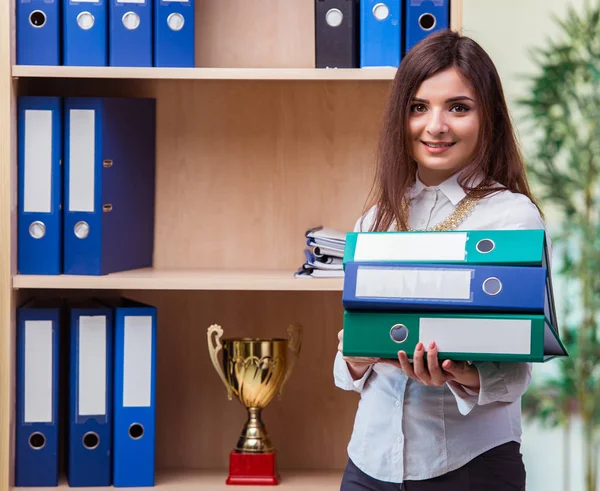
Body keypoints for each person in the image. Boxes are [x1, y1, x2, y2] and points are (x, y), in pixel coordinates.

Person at [335, 29, 548, 491]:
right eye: (418, 107)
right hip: (368, 465)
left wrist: (463, 375)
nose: (435, 126)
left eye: (458, 107)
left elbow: (517, 370)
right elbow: (350, 355)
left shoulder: (512, 217)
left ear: (486, 116)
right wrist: (353, 357)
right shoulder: (374, 220)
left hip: (469, 468)